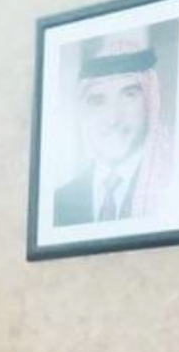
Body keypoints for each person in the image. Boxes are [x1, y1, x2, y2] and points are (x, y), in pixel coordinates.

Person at [53, 36, 172, 227]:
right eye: (98, 101)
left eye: (129, 95)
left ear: (150, 102)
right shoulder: (59, 203)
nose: (113, 119)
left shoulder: (171, 188)